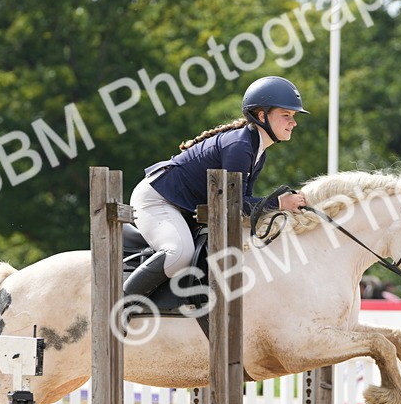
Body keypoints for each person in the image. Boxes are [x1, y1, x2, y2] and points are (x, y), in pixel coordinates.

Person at [124, 76, 308, 300]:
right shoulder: (240, 146)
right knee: (180, 254)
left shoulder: (256, 150)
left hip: (181, 207)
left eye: (294, 116)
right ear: (262, 116)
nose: (294, 122)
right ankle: (121, 302)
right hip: (157, 200)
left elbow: (241, 203)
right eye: (286, 115)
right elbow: (235, 204)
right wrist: (280, 203)